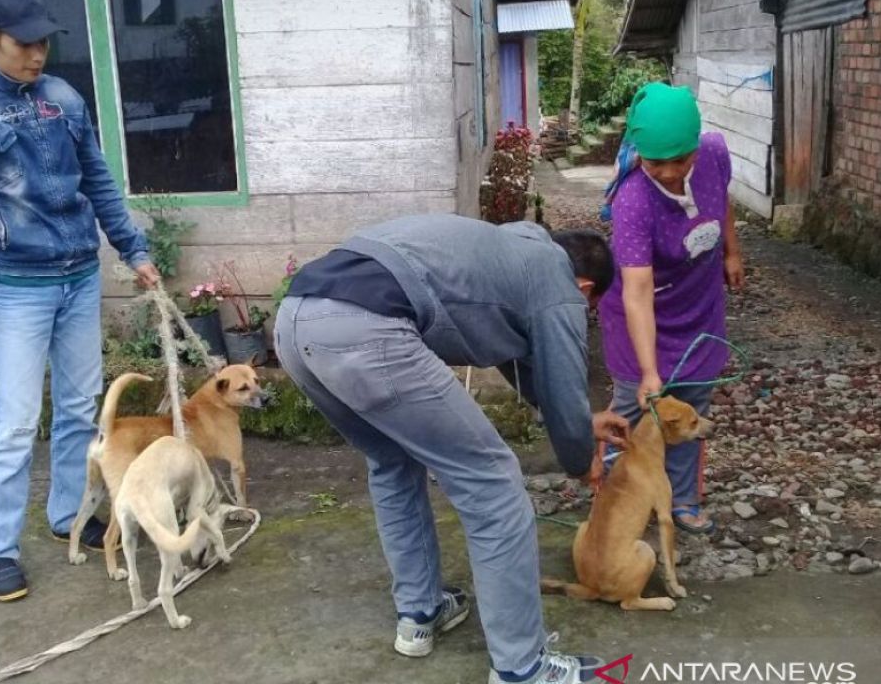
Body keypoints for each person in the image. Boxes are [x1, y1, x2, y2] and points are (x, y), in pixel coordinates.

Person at [274, 214, 629, 684]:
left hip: (296, 322)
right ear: (585, 288)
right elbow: (564, 383)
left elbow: (521, 359)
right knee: (495, 487)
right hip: (368, 326)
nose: (582, 316)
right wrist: (581, 456)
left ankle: (420, 614)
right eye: (589, 309)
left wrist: (580, 425)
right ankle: (523, 668)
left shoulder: (512, 255)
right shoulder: (559, 283)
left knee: (392, 461)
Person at [0, 0, 160, 601]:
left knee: (82, 412)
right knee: (14, 423)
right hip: (18, 288)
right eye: (23, 44)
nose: (37, 55)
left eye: (44, 43)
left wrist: (133, 248)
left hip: (80, 279)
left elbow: (98, 178)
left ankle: (70, 517)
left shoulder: (63, 97)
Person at [598, 82, 745, 535]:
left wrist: (730, 252)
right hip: (641, 317)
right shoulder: (634, 201)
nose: (667, 172)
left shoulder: (714, 153)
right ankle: (616, 499)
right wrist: (648, 373)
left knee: (692, 404)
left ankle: (681, 499)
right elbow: (636, 291)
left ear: (695, 147)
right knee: (636, 414)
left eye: (679, 160)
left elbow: (721, 202)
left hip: (698, 306)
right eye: (655, 161)